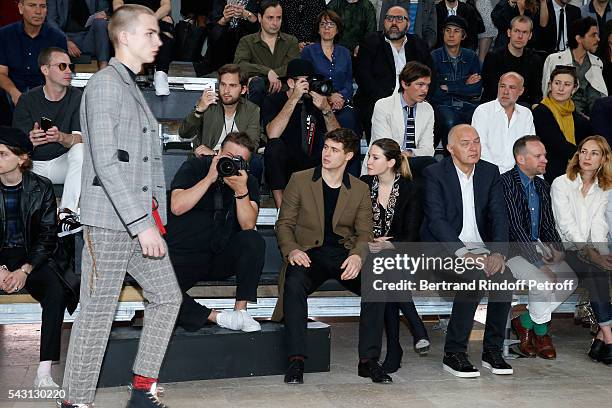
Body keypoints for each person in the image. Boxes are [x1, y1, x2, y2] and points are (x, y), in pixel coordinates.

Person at [60, 5, 182, 408]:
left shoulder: (129, 85)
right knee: (97, 314)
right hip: (112, 222)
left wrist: (151, 220)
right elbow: (107, 163)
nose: (158, 40)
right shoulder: (105, 85)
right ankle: (75, 401)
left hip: (139, 221)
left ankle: (143, 390)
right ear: (124, 36)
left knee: (167, 297)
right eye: (150, 33)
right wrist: (141, 222)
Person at [273, 128, 389, 385]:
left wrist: (359, 256)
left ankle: (368, 362)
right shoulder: (300, 180)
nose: (327, 153)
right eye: (326, 147)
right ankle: (296, 361)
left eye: (334, 150)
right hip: (307, 252)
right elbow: (284, 224)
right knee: (293, 282)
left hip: (342, 253)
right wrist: (292, 249)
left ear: (348, 155)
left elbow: (365, 233)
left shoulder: (358, 188)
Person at [421, 124, 513, 378]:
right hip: (444, 250)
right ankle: (454, 353)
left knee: (505, 279)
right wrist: (464, 254)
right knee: (472, 279)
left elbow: (499, 217)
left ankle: (492, 351)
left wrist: (498, 254)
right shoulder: (434, 174)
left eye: (476, 141)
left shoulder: (489, 172)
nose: (473, 148)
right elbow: (436, 221)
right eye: (465, 143)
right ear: (450, 149)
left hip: (482, 248)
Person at [166, 131, 264, 333]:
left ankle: (240, 312)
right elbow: (177, 206)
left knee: (253, 240)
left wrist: (241, 191)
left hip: (219, 256)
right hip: (183, 255)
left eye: (239, 161)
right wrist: (210, 178)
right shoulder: (196, 166)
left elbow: (248, 226)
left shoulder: (247, 182)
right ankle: (218, 317)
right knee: (157, 288)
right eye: (228, 157)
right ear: (217, 153)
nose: (231, 164)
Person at [0, 127, 68, 389]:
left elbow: (48, 236)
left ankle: (44, 371)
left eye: (3, 154)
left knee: (55, 290)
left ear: (22, 159)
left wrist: (24, 270)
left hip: (32, 258)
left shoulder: (41, 188)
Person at [502, 135, 577, 359]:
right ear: (521, 159)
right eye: (538, 156)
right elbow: (514, 228)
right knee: (543, 282)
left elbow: (547, 225)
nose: (545, 159)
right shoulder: (505, 184)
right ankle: (542, 333)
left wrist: (557, 250)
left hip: (536, 246)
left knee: (569, 279)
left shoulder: (542, 186)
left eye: (544, 155)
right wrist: (539, 265)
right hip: (510, 250)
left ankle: (525, 322)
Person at [361, 137, 430, 374]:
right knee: (384, 271)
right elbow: (354, 226)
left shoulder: (411, 188)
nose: (368, 161)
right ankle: (415, 326)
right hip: (369, 253)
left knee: (386, 269)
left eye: (374, 157)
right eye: (369, 156)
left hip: (404, 253)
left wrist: (389, 246)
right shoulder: (363, 184)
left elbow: (411, 235)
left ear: (390, 162)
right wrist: (371, 244)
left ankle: (395, 349)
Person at [551, 135, 612, 366]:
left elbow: (599, 225)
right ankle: (609, 339)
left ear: (603, 158)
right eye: (583, 151)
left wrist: (603, 254)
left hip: (593, 250)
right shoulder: (562, 183)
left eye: (594, 153)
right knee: (595, 271)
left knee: (602, 269)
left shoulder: (604, 188)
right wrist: (593, 255)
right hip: (567, 249)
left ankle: (601, 340)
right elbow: (566, 225)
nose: (587, 157)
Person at [12, 47, 84, 236]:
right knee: (9, 157)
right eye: (62, 66)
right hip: (33, 167)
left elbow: (80, 137)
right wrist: (31, 142)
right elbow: (15, 147)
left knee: (81, 149)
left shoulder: (77, 97)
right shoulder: (27, 100)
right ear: (45, 70)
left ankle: (67, 214)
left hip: (63, 164)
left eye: (70, 66)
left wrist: (61, 137)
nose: (69, 71)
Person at [262, 58, 340, 208]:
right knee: (273, 147)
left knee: (333, 147)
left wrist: (326, 110)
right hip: (286, 162)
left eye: (311, 81)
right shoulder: (273, 100)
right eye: (304, 81)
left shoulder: (317, 101)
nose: (308, 85)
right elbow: (272, 134)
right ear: (291, 83)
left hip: (313, 160)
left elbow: (339, 139)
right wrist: (294, 98)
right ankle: (281, 209)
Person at [354, 5, 433, 140]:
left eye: (399, 19)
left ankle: (413, 157)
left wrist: (415, 98)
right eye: (390, 18)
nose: (394, 23)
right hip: (378, 100)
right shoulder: (370, 42)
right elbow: (364, 78)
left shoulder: (418, 45)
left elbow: (430, 76)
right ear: (384, 22)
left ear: (408, 24)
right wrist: (390, 102)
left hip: (413, 101)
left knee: (434, 118)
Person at [178, 63, 264, 181]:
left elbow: (252, 144)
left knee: (255, 162)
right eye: (223, 85)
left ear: (243, 89)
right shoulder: (208, 104)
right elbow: (184, 133)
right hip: (207, 159)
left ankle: (250, 199)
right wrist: (199, 111)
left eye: (232, 85)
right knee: (191, 165)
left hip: (236, 160)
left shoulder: (252, 110)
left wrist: (216, 153)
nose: (226, 90)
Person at [363, 61, 434, 176]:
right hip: (385, 165)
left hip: (412, 163)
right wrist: (407, 156)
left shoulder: (427, 109)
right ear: (405, 84)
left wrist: (409, 153)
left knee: (430, 164)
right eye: (420, 85)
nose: (425, 90)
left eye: (427, 85)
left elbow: (428, 150)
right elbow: (384, 147)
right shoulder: (383, 106)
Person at [301, 10, 360, 135]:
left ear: (337, 29)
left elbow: (348, 82)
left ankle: (347, 154)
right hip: (317, 101)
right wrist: (329, 96)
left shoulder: (345, 53)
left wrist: (341, 98)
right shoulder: (308, 51)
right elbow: (308, 81)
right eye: (323, 24)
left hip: (341, 103)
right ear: (318, 29)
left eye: (331, 24)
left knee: (349, 120)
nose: (327, 28)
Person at [0, 0, 67, 108]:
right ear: (21, 8)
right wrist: (14, 93)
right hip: (11, 93)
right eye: (32, 6)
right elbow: (1, 73)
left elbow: (60, 75)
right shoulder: (4, 35)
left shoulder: (57, 38)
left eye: (42, 6)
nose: (38, 11)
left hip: (44, 94)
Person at [234, 0, 300, 108]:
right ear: (260, 18)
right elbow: (240, 65)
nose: (275, 23)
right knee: (256, 83)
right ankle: (253, 124)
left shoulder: (291, 41)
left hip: (285, 94)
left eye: (279, 18)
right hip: (258, 94)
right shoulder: (247, 41)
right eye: (270, 18)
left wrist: (273, 75)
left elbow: (294, 66)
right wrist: (267, 72)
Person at [431, 15, 482, 151]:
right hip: (444, 104)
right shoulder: (434, 56)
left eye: (456, 31)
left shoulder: (471, 56)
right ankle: (450, 160)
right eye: (447, 30)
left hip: (469, 104)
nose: (451, 35)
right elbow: (434, 92)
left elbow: (476, 89)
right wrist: (464, 84)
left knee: (481, 120)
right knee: (450, 121)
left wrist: (449, 87)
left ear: (463, 35)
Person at [534, 65, 591, 183]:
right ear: (550, 85)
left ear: (574, 89)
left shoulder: (579, 119)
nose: (561, 88)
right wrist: (583, 155)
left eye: (567, 84)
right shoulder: (540, 111)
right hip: (548, 171)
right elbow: (556, 142)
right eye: (557, 83)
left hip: (574, 171)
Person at [542, 17, 608, 117]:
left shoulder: (597, 63)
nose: (598, 39)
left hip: (593, 118)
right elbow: (546, 93)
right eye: (593, 35)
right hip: (563, 115)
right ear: (579, 39)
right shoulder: (555, 60)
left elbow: (597, 97)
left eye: (597, 35)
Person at [472, 72, 536, 174]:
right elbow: (480, 147)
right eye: (502, 86)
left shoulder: (526, 113)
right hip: (488, 173)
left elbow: (528, 147)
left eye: (512, 87)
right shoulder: (483, 110)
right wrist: (498, 173)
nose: (505, 92)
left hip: (517, 174)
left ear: (521, 91)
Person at [113, 0, 176, 96]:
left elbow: (166, 6)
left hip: (154, 19)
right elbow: (117, 6)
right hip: (130, 21)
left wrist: (151, 19)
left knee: (167, 23)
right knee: (119, 28)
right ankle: (127, 71)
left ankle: (161, 73)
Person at [481, 15, 544, 106]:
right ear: (509, 32)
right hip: (496, 105)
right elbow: (490, 90)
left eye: (524, 32)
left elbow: (536, 92)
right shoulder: (493, 57)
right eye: (516, 31)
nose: (520, 36)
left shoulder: (535, 60)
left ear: (530, 35)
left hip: (523, 107)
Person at [198, 0, 260, 75]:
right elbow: (212, 35)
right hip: (218, 59)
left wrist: (248, 15)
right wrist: (224, 20)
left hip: (247, 58)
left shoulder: (257, 3)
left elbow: (263, 29)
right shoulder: (218, 2)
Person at [46, 0, 111, 70]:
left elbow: (105, 10)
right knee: (49, 32)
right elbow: (51, 21)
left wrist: (102, 15)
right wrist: (65, 40)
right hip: (64, 37)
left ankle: (103, 67)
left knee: (101, 22)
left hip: (89, 37)